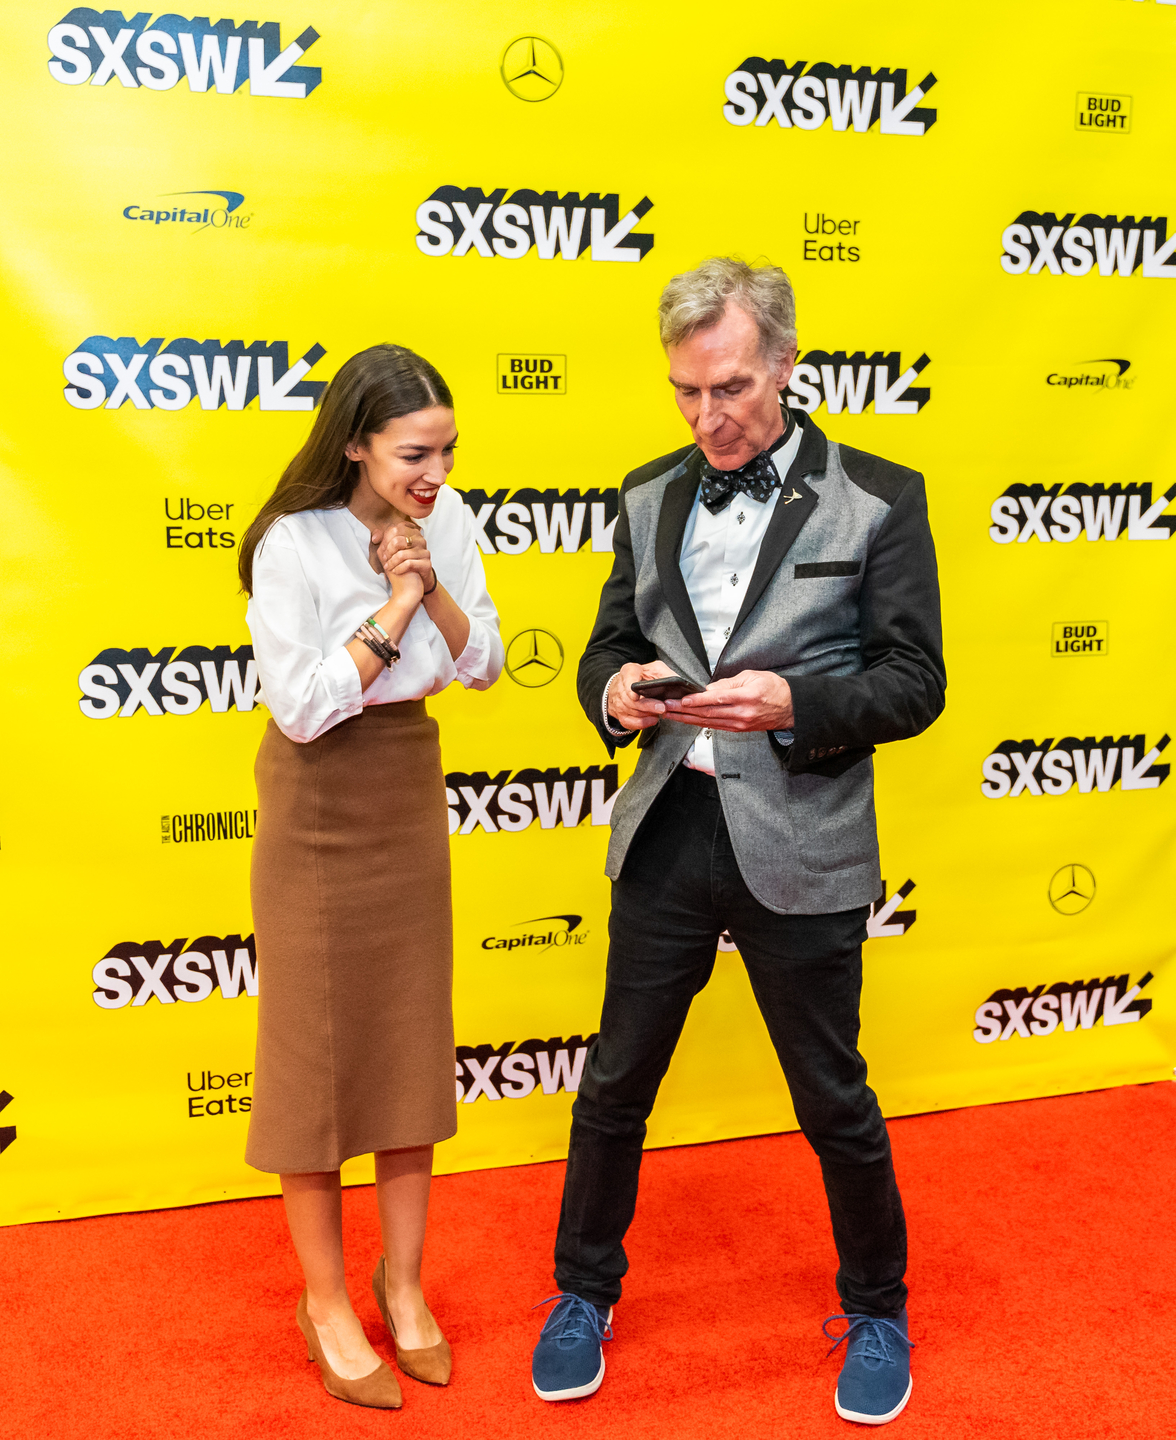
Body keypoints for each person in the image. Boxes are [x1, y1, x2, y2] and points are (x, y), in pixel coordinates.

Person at [530, 259, 945, 1426]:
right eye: (684, 392)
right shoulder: (650, 492)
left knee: (832, 1096)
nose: (707, 418)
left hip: (801, 833)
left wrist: (794, 709)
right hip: (669, 825)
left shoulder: (879, 495)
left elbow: (916, 683)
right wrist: (616, 698)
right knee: (613, 1087)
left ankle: (877, 1306)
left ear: (787, 367)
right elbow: (607, 646)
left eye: (730, 388)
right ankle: (582, 1292)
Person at [239, 344, 504, 1409]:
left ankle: (404, 1287)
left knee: (401, 1047)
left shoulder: (455, 522)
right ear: (354, 444)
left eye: (445, 451)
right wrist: (392, 608)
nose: (434, 473)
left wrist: (431, 583)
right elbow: (301, 705)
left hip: (403, 783)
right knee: (314, 1064)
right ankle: (329, 1301)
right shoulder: (288, 545)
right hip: (315, 798)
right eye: (412, 454)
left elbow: (482, 661)